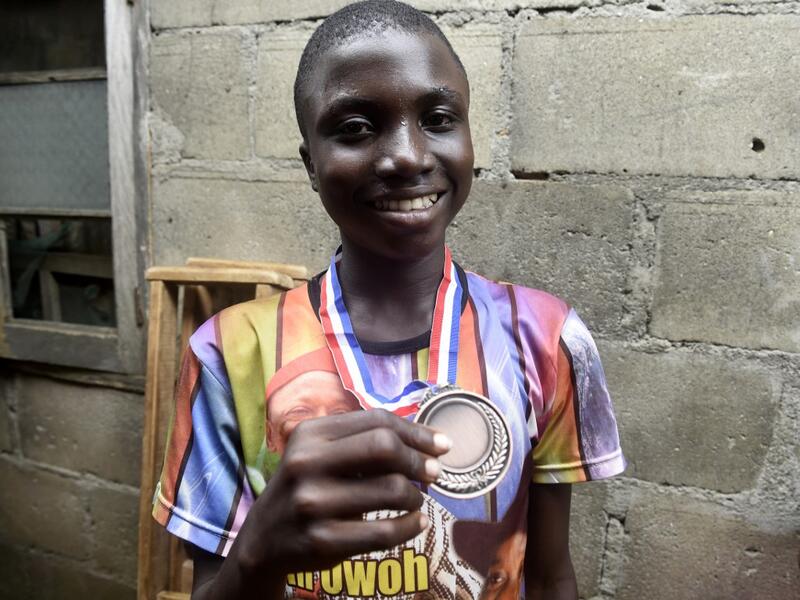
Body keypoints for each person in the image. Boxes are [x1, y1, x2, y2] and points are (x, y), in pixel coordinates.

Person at [152, 1, 626, 599]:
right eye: (355, 128)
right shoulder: (228, 353)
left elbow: (551, 575)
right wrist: (257, 556)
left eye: (438, 117)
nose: (406, 155)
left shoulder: (545, 336)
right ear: (311, 164)